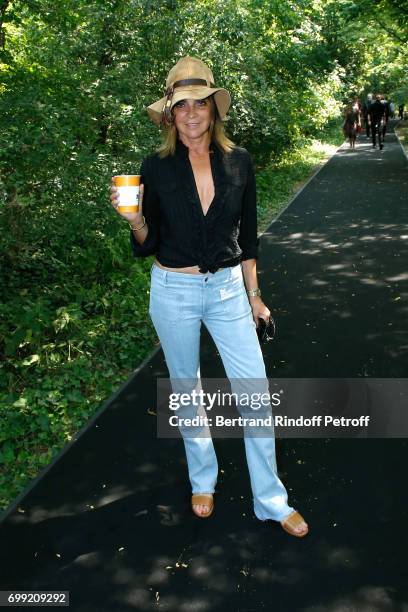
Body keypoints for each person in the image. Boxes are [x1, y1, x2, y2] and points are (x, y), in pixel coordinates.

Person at [110, 57, 308, 537]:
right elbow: (148, 243)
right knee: (186, 387)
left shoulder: (238, 161)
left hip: (225, 291)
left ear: (214, 110)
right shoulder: (153, 168)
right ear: (170, 115)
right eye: (182, 105)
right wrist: (134, 221)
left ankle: (271, 500)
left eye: (201, 103)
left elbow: (250, 237)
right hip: (173, 288)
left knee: (255, 391)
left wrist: (255, 295)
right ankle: (203, 479)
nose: (192, 113)